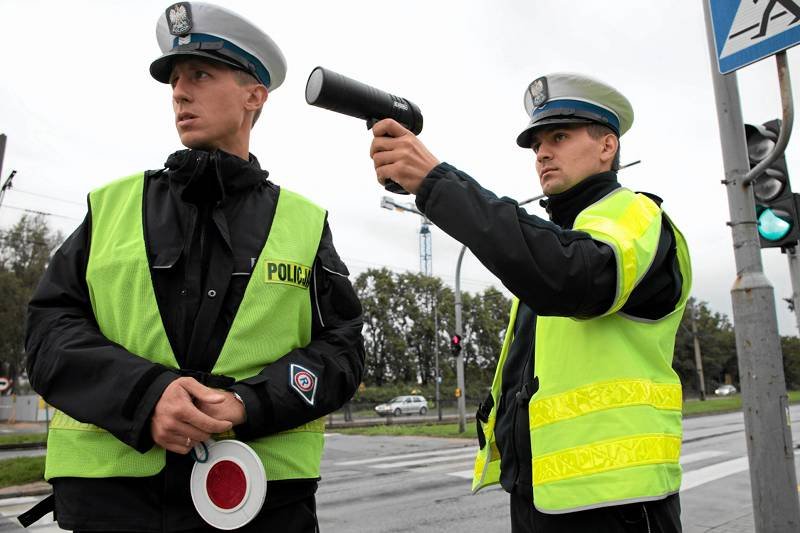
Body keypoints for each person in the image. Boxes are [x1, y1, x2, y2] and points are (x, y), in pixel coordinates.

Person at [21, 2, 364, 532]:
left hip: (259, 506)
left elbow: (342, 351)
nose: (180, 92)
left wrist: (247, 403)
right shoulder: (112, 207)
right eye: (175, 80)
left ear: (255, 96)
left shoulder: (304, 222)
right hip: (113, 509)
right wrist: (145, 395)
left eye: (201, 75)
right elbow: (48, 332)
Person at [368, 73, 689, 532]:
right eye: (537, 142)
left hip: (618, 503)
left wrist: (437, 183)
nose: (542, 152)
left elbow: (568, 276)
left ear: (607, 147)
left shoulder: (635, 215)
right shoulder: (560, 236)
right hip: (541, 495)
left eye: (560, 136)